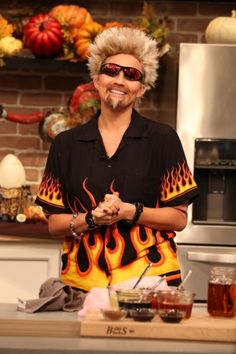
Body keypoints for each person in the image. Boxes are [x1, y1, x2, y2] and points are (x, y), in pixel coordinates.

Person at [35, 26, 198, 292]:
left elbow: (178, 218)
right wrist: (92, 218)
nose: (120, 80)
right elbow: (55, 223)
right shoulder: (66, 143)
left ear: (141, 89)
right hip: (82, 285)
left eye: (131, 75)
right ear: (96, 80)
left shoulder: (163, 139)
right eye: (111, 71)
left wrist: (129, 211)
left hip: (151, 282)